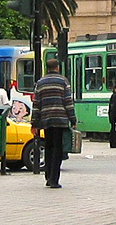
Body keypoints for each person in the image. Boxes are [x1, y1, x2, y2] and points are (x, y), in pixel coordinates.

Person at [31, 59, 77, 189]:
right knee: (58, 149)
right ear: (57, 67)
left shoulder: (40, 83)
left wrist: (34, 123)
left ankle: (47, 176)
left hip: (46, 120)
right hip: (60, 120)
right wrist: (73, 119)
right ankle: (54, 179)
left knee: (49, 147)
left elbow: (36, 104)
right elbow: (68, 102)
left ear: (47, 68)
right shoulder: (63, 82)